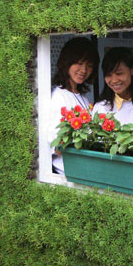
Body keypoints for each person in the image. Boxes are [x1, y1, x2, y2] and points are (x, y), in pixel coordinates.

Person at [49, 37, 99, 174]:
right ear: (67, 63)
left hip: (84, 168)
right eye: (79, 63)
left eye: (89, 65)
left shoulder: (82, 97)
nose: (83, 70)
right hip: (68, 172)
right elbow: (56, 145)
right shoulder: (59, 97)